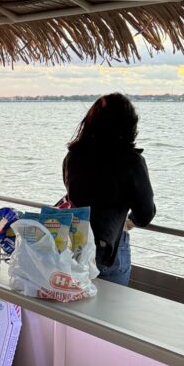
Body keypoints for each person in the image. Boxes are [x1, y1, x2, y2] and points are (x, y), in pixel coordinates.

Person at [63, 93, 156, 285]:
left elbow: (76, 196)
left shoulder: (73, 157)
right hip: (109, 247)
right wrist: (129, 220)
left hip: (74, 243)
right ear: (130, 126)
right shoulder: (132, 162)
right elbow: (145, 213)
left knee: (77, 308)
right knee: (108, 310)